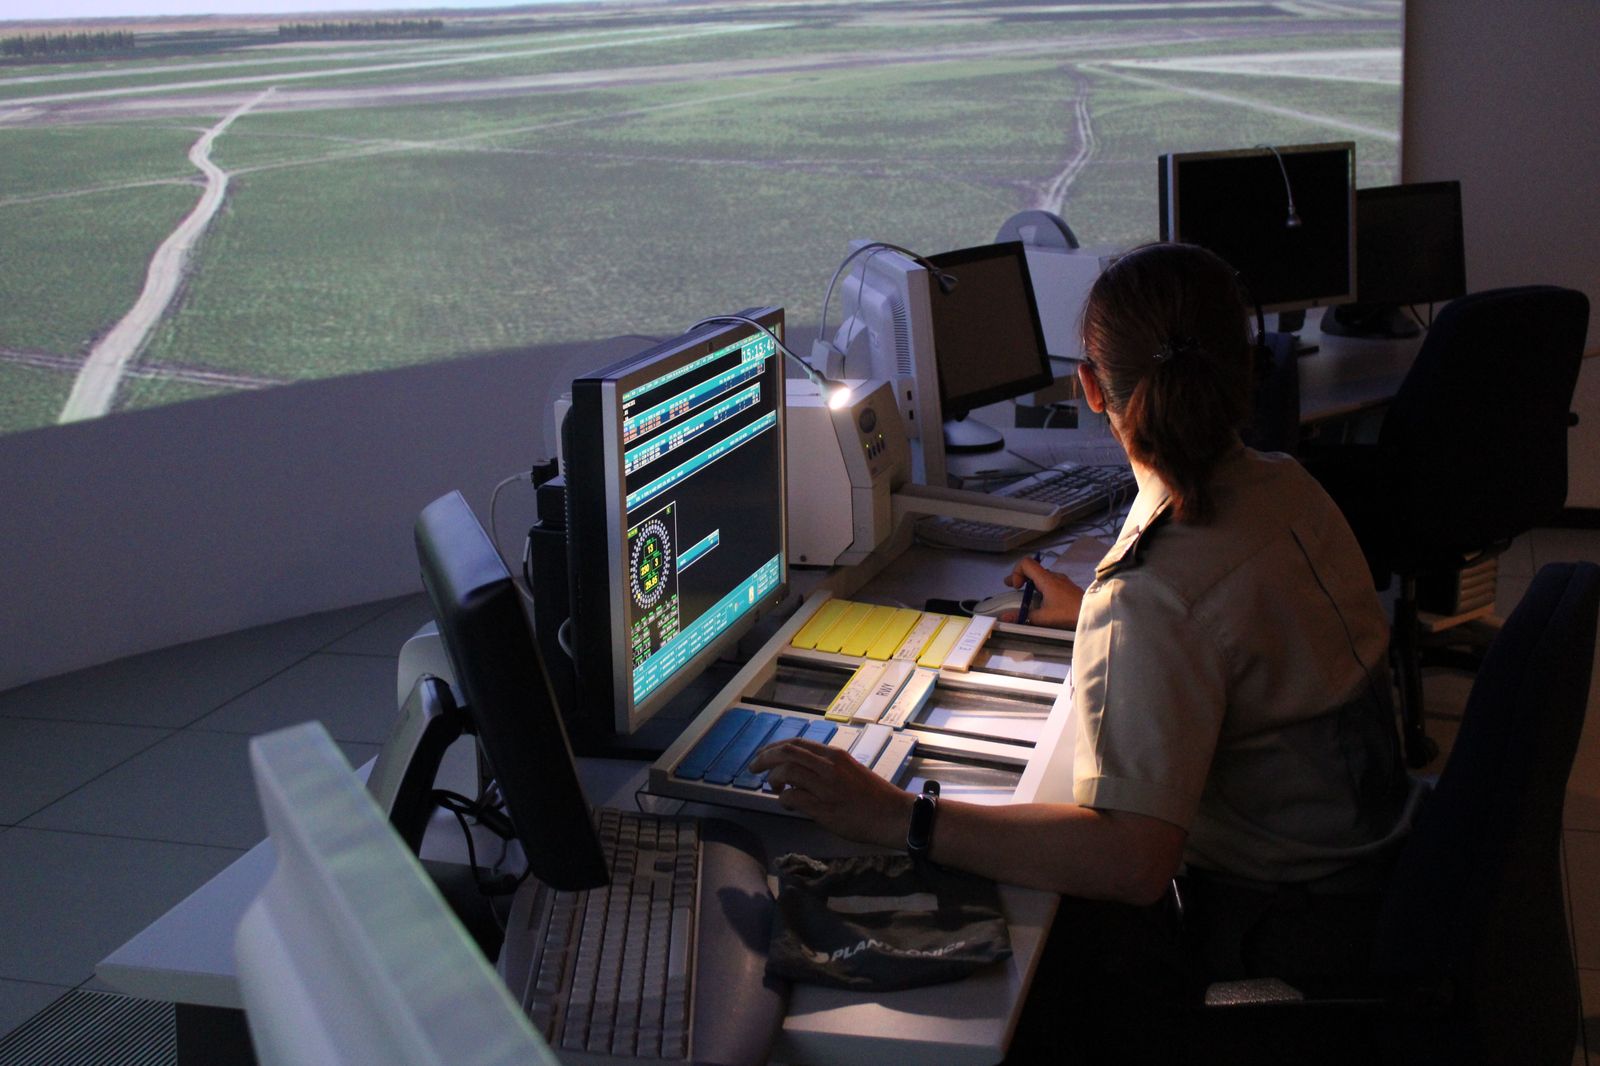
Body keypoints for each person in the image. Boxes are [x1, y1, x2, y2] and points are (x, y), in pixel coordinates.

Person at [749, 241, 1419, 1059]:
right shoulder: (1288, 488)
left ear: (1090, 387)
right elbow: (1243, 638)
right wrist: (1096, 619)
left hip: (1280, 931)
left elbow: (1133, 861)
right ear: (1249, 368)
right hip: (1371, 879)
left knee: (1025, 971)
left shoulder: (1157, 590)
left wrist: (899, 817)